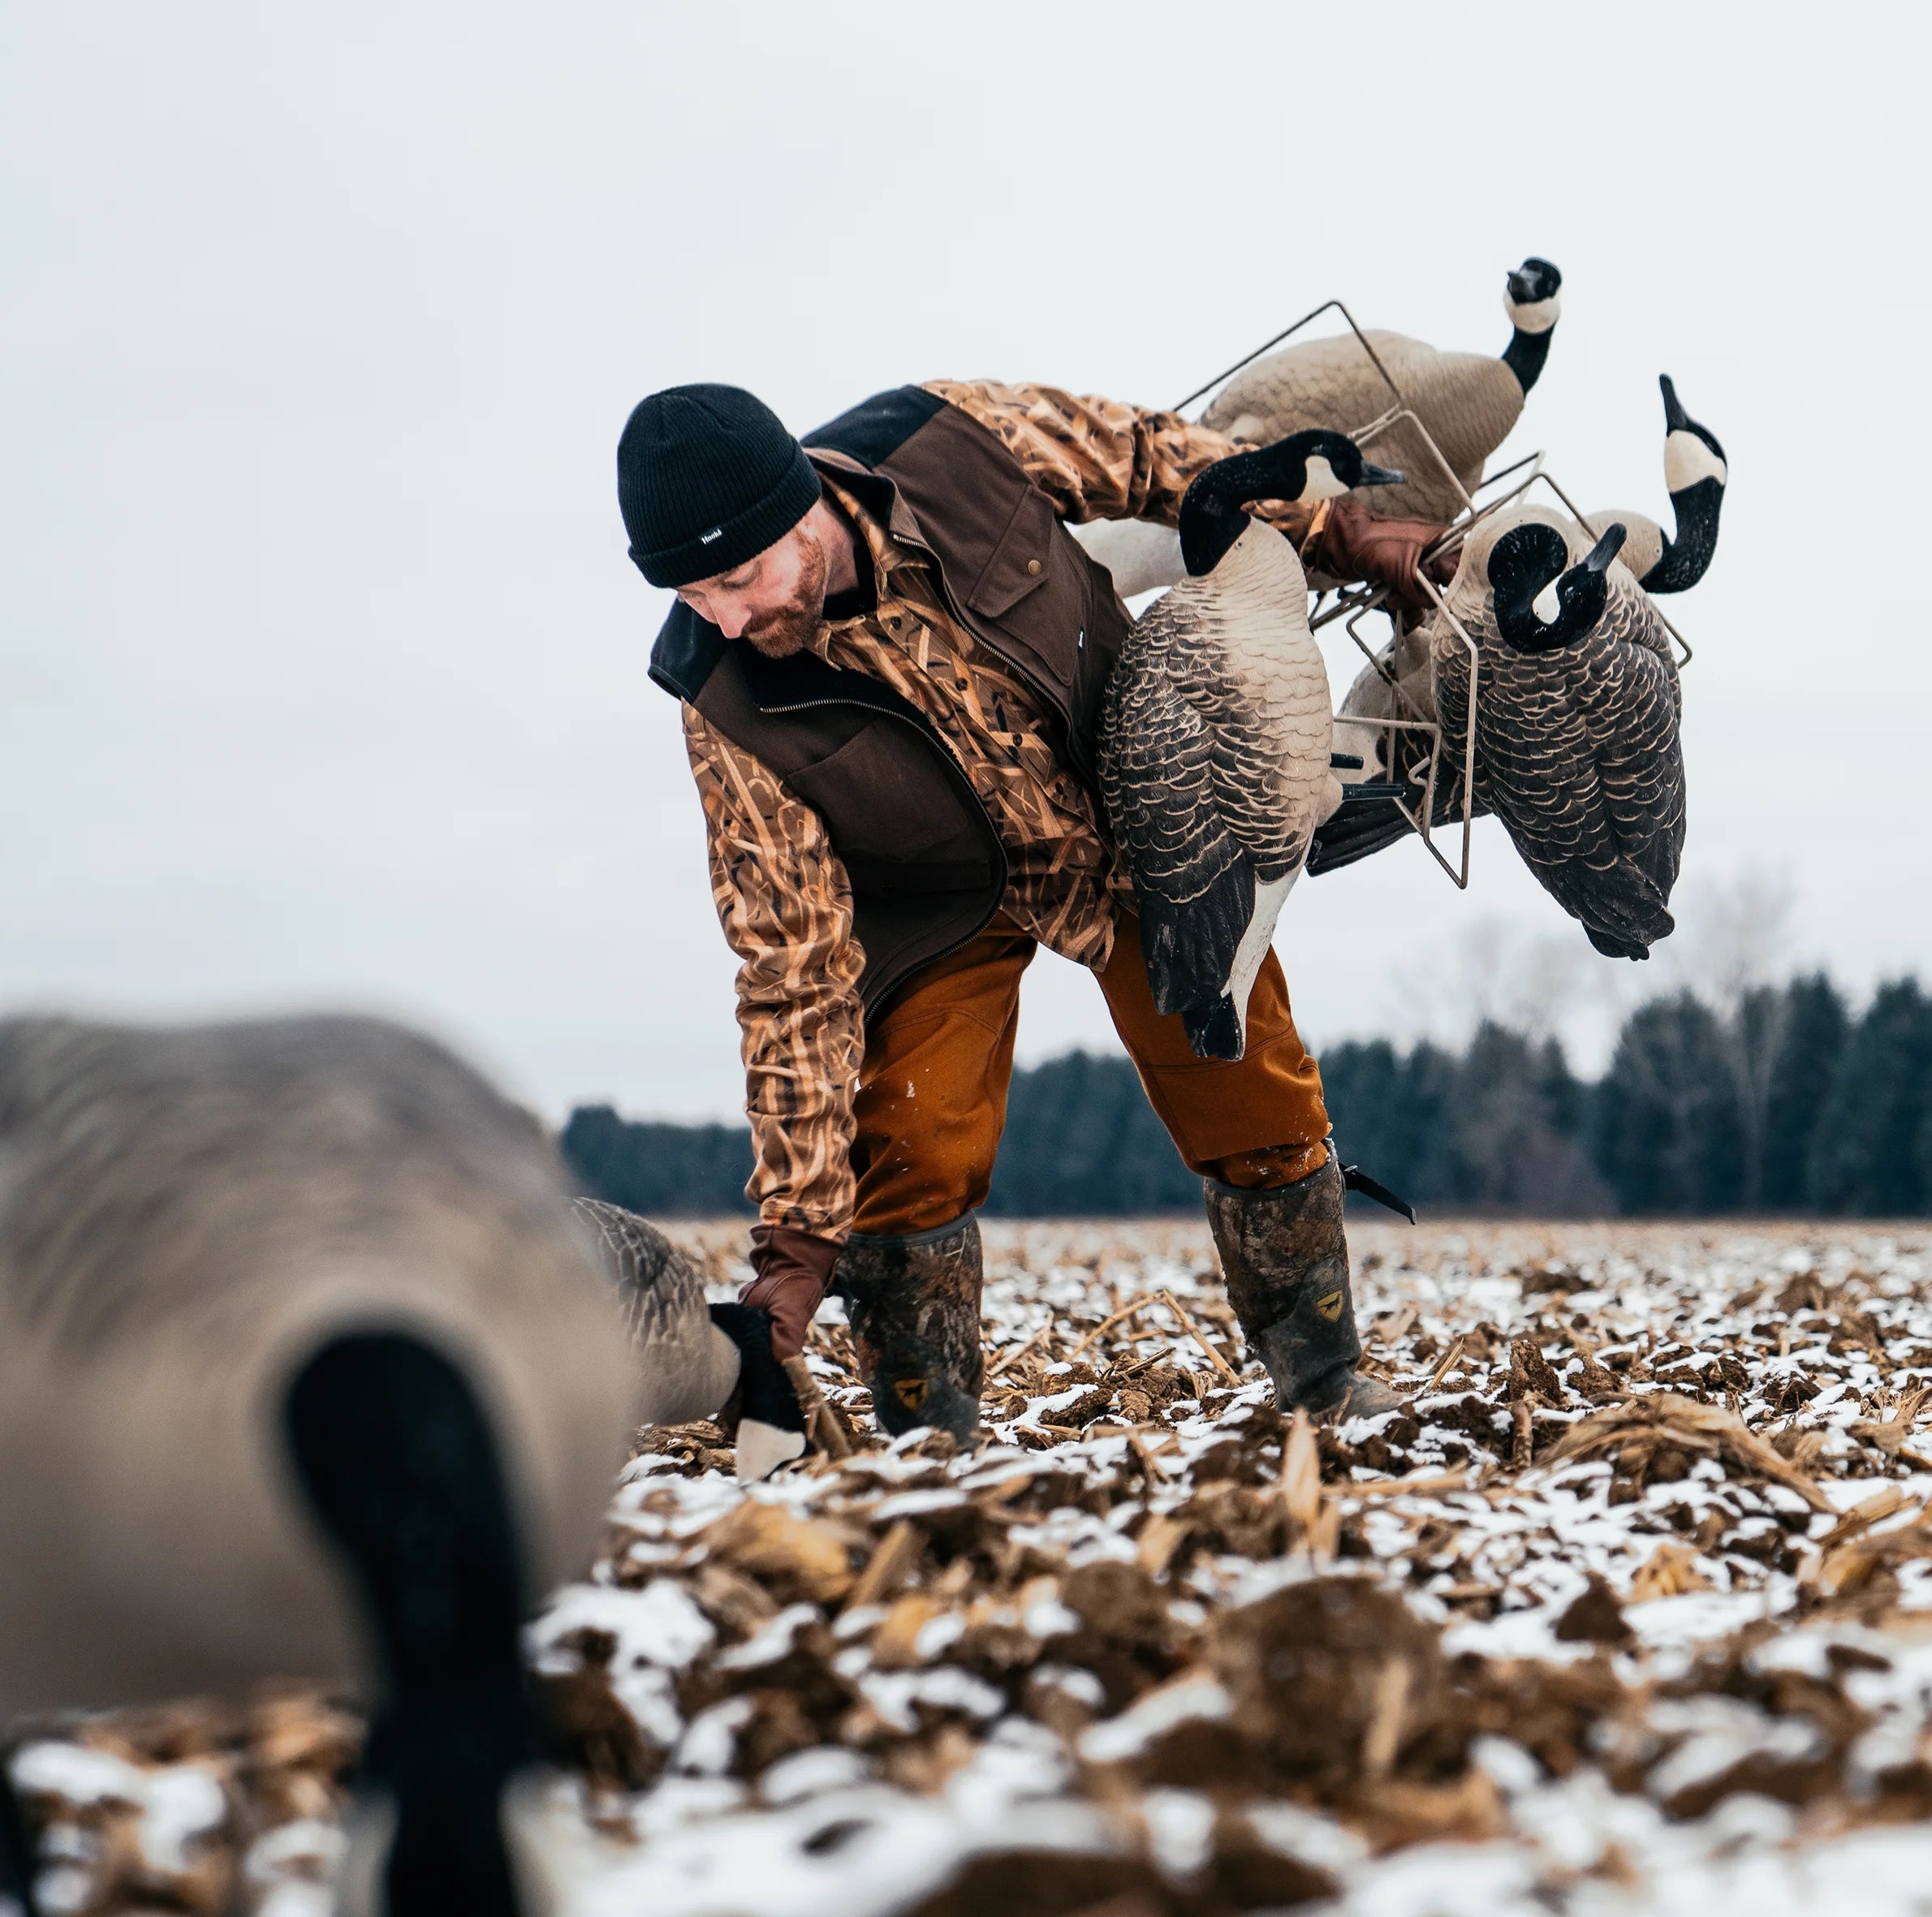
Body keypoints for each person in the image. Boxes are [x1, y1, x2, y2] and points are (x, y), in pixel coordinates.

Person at [619, 378, 1445, 1439]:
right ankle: (932, 1432)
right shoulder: (719, 700)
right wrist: (794, 1242)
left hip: (1131, 808)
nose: (727, 618)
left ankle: (1326, 1385)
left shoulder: (953, 441)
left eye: (739, 577)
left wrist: (1334, 530)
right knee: (910, 1147)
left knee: (1253, 1085)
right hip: (935, 902)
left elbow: (1154, 461)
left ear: (800, 506)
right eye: (694, 601)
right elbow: (790, 968)